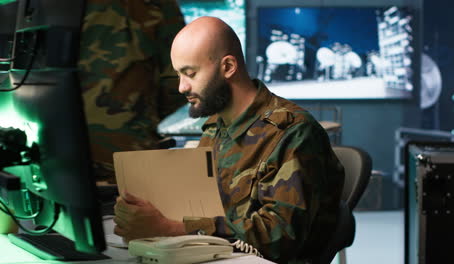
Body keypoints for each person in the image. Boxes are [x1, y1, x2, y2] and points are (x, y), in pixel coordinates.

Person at [113, 16, 344, 263]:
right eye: (179, 75)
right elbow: (199, 205)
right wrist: (147, 211)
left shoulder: (291, 133)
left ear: (228, 67)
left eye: (190, 73)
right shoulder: (216, 127)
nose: (182, 87)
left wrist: (169, 228)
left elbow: (280, 237)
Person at [78, 0, 187, 183]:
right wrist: (144, 118)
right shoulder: (154, 5)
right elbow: (177, 78)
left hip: (53, 152)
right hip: (128, 149)